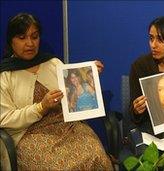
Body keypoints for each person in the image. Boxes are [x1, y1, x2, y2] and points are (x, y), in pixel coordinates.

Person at [0, 13, 113, 170]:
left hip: (68, 127)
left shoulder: (52, 63)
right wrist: (41, 107)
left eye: (34, 37)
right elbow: (5, 119)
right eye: (22, 37)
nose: (30, 43)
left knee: (97, 155)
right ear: (11, 41)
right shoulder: (5, 75)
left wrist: (88, 74)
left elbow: (72, 93)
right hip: (30, 135)